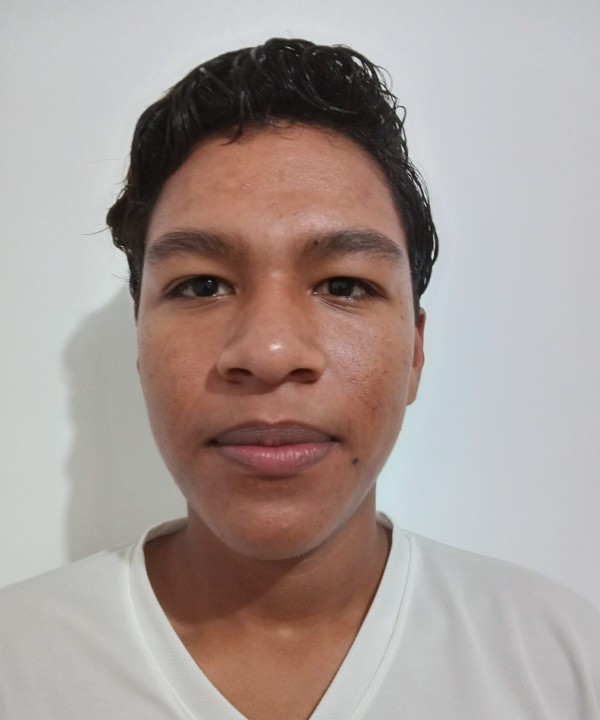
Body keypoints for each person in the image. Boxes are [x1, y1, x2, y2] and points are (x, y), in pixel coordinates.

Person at [0, 37, 598, 720]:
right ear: (139, 347)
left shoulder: (563, 664)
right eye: (202, 285)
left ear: (415, 352)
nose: (271, 351)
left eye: (343, 284)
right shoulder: (18, 665)